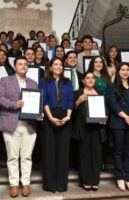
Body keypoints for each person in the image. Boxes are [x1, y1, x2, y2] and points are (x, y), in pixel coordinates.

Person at [0, 57, 38, 198]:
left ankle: (25, 183)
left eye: (25, 64)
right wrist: (15, 104)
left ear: (28, 67)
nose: (23, 66)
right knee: (12, 157)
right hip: (10, 123)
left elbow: (37, 101)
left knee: (26, 156)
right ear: (14, 66)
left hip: (29, 125)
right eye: (20, 64)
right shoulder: (5, 81)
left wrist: (39, 113)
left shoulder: (33, 83)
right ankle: (13, 185)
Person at [39, 58, 73, 192]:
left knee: (63, 151)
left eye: (60, 64)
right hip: (49, 117)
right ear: (51, 67)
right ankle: (50, 185)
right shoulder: (43, 82)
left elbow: (70, 99)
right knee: (49, 151)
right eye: (55, 64)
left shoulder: (68, 82)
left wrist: (68, 116)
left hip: (65, 117)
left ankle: (61, 184)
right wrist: (50, 117)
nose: (58, 67)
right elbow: (44, 100)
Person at [108, 62, 129, 194]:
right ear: (118, 71)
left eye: (127, 69)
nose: (125, 72)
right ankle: (119, 177)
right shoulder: (113, 87)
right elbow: (113, 103)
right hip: (119, 122)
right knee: (118, 151)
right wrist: (126, 117)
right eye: (123, 69)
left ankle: (128, 179)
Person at [73, 72, 106, 191]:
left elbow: (106, 110)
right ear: (83, 81)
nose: (91, 80)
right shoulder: (78, 93)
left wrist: (104, 119)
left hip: (98, 129)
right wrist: (79, 101)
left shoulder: (100, 93)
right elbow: (72, 110)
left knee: (97, 155)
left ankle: (95, 180)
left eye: (92, 78)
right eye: (88, 78)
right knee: (84, 154)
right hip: (83, 128)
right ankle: (85, 180)